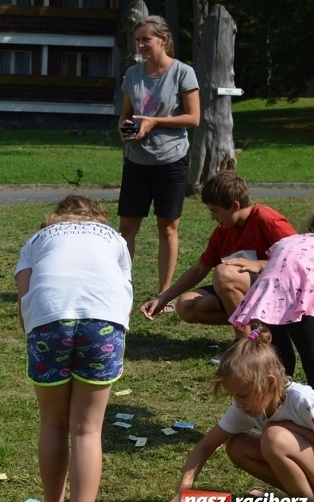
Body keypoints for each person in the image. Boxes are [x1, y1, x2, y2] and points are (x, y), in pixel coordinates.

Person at [14, 195, 133, 502]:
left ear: (55, 217)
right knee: (88, 429)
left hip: (49, 320)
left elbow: (25, 303)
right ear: (98, 218)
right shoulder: (115, 240)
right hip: (104, 322)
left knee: (53, 423)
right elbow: (122, 290)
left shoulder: (36, 240)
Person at [154, 323, 314, 502]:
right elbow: (205, 446)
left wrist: (294, 429)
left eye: (243, 395)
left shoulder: (302, 400)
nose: (239, 403)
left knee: (274, 437)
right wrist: (183, 493)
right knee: (237, 446)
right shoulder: (248, 407)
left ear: (270, 383)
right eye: (234, 396)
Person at [140, 170, 297, 361]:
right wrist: (164, 298)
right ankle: (256, 329)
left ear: (234, 206)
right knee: (186, 305)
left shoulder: (267, 219)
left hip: (275, 293)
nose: (213, 217)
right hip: (244, 293)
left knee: (223, 274)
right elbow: (199, 270)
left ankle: (244, 347)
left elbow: (298, 256)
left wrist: (258, 264)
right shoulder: (223, 232)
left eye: (215, 211)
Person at [117, 15, 200, 306]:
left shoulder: (182, 73)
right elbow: (126, 113)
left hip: (171, 161)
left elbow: (193, 118)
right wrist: (124, 127)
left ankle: (164, 293)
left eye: (145, 40)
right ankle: (121, 285)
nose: (140, 45)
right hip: (137, 161)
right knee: (126, 228)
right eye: (138, 40)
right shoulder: (133, 74)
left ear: (162, 40)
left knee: (167, 227)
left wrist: (154, 122)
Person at [228, 205, 314, 396]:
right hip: (297, 304)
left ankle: (275, 412)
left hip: (266, 304)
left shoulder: (289, 241)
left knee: (282, 363)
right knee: (313, 366)